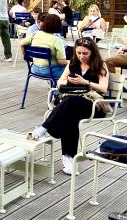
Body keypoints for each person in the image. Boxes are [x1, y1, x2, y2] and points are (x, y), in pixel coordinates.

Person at [31, 36, 109, 175]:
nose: (81, 56)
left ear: (93, 52)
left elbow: (103, 88)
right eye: (78, 53)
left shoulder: (100, 65)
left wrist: (85, 82)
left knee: (70, 104)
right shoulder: (73, 63)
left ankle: (45, 127)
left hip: (94, 104)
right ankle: (68, 159)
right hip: (72, 104)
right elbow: (59, 82)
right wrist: (67, 81)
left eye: (85, 53)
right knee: (71, 113)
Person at [19, 12, 68, 83]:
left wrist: (26, 57)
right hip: (50, 71)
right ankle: (59, 90)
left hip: (34, 69)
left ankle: (54, 87)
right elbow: (61, 61)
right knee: (71, 70)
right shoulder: (57, 40)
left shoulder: (35, 34)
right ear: (58, 25)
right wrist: (69, 63)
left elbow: (21, 44)